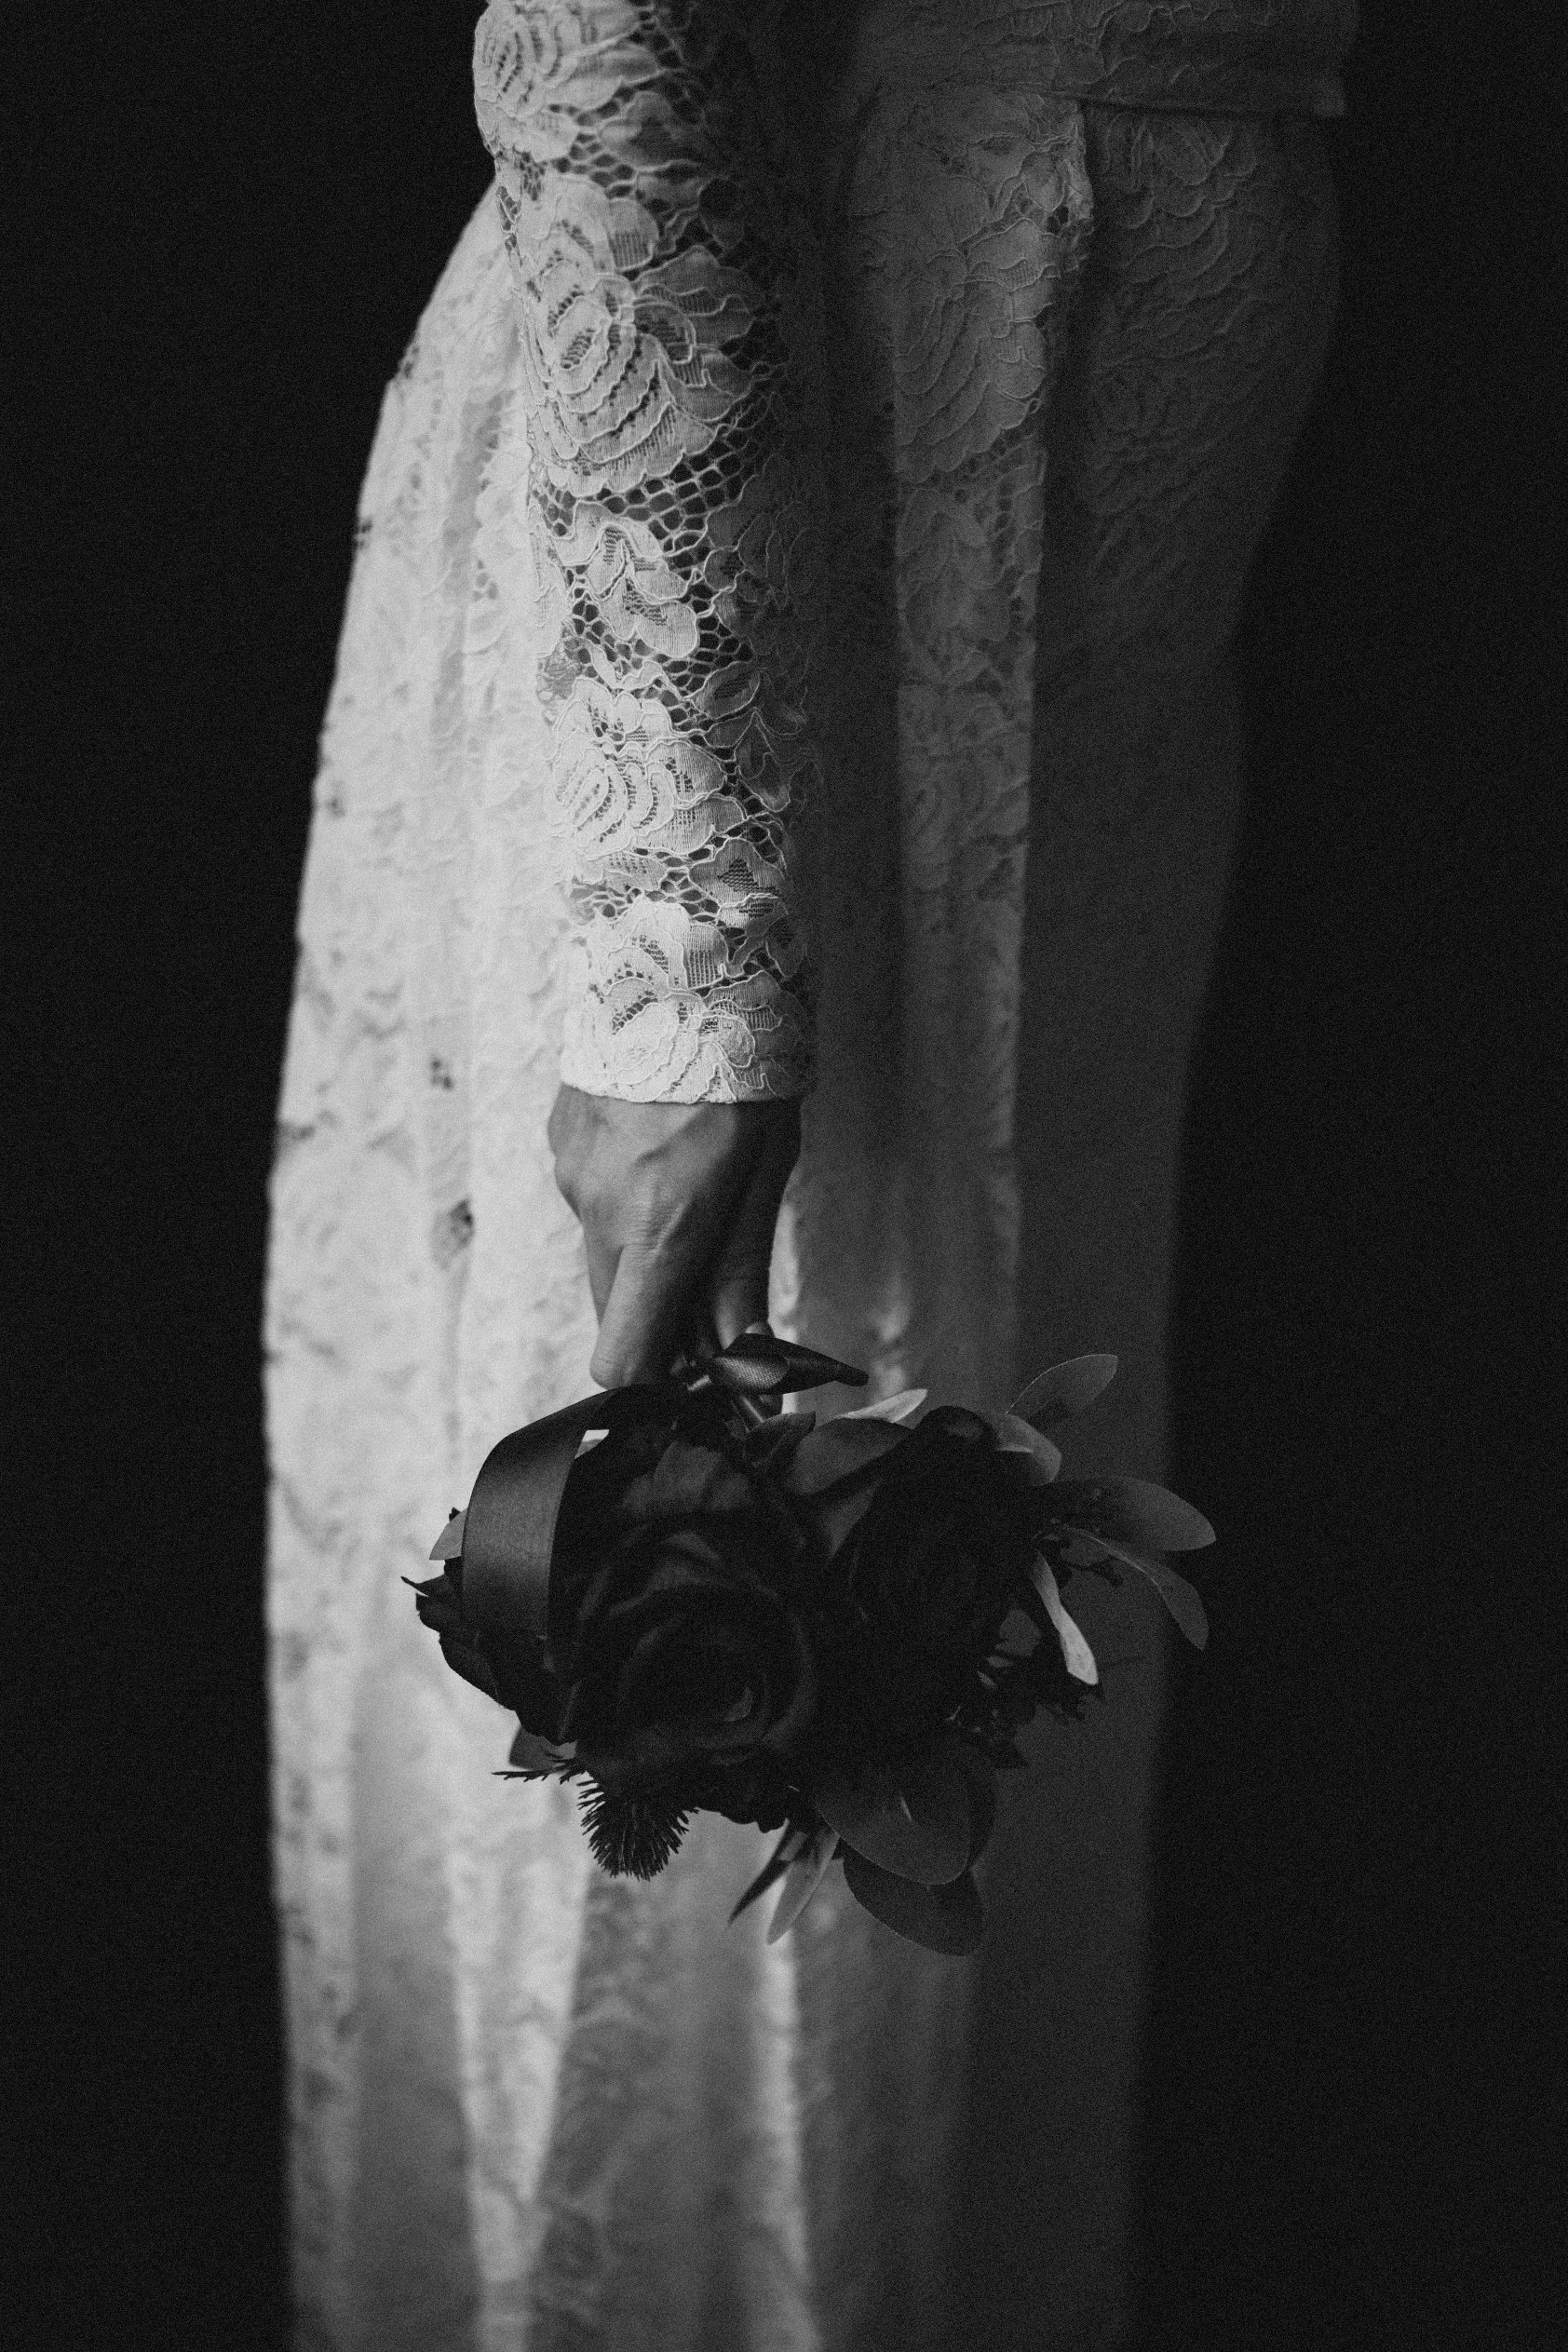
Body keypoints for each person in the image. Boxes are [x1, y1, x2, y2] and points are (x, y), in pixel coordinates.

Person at [265, 4, 1357, 2345]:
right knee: (669, 1592)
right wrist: (680, 953)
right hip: (803, 555)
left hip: (1070, 548)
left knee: (965, 1634)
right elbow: (628, 35)